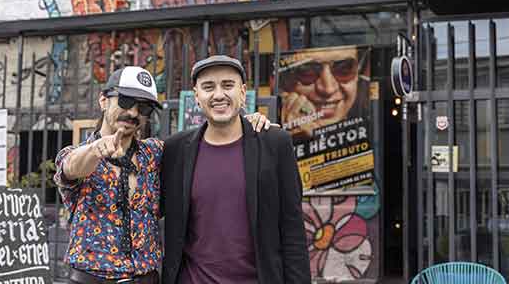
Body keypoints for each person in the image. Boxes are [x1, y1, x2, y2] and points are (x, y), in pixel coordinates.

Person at [53, 65, 271, 284]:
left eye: (144, 107)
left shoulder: (155, 153)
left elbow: (202, 144)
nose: (133, 113)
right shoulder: (74, 155)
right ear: (103, 100)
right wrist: (95, 150)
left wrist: (243, 123)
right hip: (91, 279)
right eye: (125, 101)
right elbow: (71, 168)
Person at [161, 55, 310, 284]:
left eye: (227, 85)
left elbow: (292, 230)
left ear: (242, 92)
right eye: (208, 87)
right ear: (197, 97)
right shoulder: (175, 150)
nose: (218, 94)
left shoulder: (274, 143)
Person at [279, 46, 369, 140]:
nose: (328, 89)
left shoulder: (377, 114)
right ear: (283, 80)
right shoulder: (268, 124)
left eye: (344, 68)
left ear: (358, 73)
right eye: (307, 71)